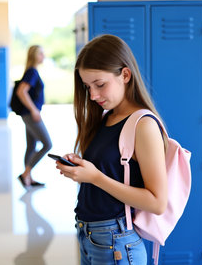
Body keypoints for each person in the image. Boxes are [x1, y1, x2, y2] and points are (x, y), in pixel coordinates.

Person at [55, 34, 167, 265]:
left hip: (116, 243)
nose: (93, 95)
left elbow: (157, 202)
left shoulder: (143, 125)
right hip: (90, 236)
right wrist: (82, 167)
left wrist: (95, 177)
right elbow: (111, 169)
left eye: (100, 84)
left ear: (125, 75)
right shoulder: (108, 117)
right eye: (88, 87)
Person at [17, 45, 52, 188]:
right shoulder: (32, 72)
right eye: (41, 54)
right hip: (30, 115)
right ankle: (26, 173)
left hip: (28, 114)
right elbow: (21, 91)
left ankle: (28, 178)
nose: (43, 56)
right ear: (34, 56)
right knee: (47, 144)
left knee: (31, 145)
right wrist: (34, 110)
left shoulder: (31, 71)